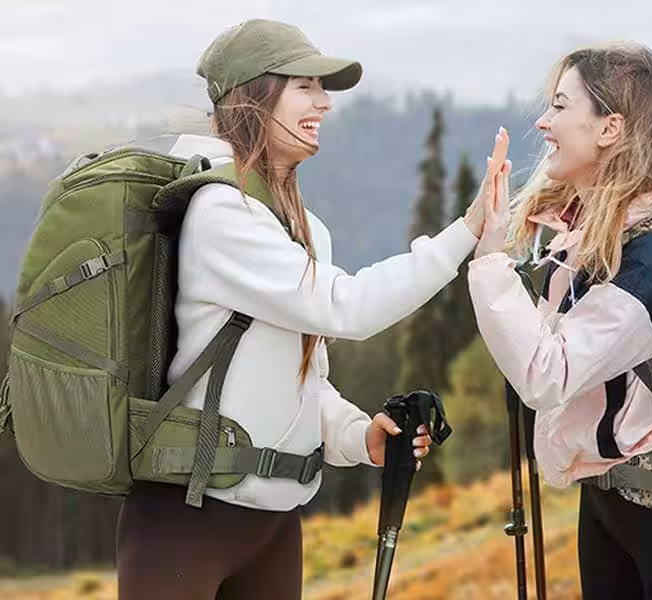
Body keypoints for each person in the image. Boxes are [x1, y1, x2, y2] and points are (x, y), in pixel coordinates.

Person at [115, 18, 510, 600]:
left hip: (275, 524)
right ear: (254, 96)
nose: (325, 103)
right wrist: (467, 230)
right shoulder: (222, 216)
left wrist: (359, 437)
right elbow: (345, 308)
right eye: (306, 87)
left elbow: (304, 380)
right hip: (187, 518)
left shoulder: (299, 227)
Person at [468, 43, 652, 599]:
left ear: (609, 127)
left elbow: (549, 372)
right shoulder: (598, 230)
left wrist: (490, 259)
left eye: (560, 106)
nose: (544, 122)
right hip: (612, 493)